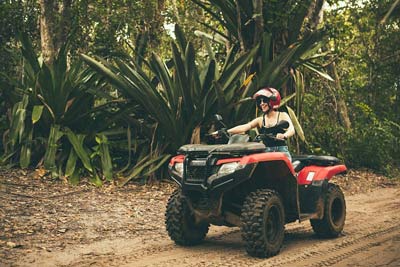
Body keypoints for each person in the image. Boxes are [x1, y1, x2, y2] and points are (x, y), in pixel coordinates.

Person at [220, 87, 295, 161]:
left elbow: (291, 129)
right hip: (266, 151)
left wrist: (284, 135)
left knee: (283, 171)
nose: (262, 103)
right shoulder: (260, 120)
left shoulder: (282, 115)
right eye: (259, 101)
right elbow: (245, 126)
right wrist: (225, 131)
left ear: (273, 101)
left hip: (280, 151)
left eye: (264, 100)